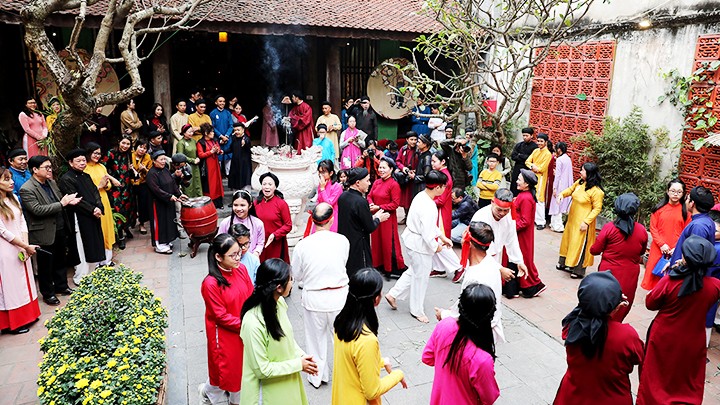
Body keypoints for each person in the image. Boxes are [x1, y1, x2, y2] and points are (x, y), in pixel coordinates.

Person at [637, 235, 720, 405]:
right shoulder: (714, 286)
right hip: (694, 338)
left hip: (665, 334)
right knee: (686, 377)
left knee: (656, 374)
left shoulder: (670, 281)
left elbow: (650, 303)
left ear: (685, 259)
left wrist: (674, 273)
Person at [554, 272, 643, 405]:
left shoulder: (572, 325)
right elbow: (639, 358)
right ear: (617, 306)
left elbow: (585, 310)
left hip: (572, 396)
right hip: (611, 398)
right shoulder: (627, 336)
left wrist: (603, 301)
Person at [240, 259, 317, 405]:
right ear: (279, 287)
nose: (292, 283)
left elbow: (286, 337)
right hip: (266, 393)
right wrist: (298, 364)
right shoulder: (252, 323)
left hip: (286, 383)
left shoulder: (279, 303)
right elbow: (262, 370)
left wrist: (301, 356)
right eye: (290, 279)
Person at [291, 203, 350, 388]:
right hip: (338, 297)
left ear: (313, 220)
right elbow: (343, 262)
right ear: (331, 220)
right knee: (341, 340)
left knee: (315, 341)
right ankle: (346, 375)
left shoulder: (302, 245)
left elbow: (297, 274)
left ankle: (317, 377)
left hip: (314, 298)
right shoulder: (342, 241)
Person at [385, 170, 453, 323]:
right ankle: (416, 310)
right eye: (444, 186)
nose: (445, 189)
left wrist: (442, 237)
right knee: (421, 278)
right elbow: (428, 234)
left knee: (415, 270)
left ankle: (393, 294)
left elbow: (428, 227)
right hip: (419, 244)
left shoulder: (421, 196)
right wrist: (437, 247)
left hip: (413, 239)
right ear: (438, 187)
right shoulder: (429, 206)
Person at [332, 268, 406, 404]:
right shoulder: (367, 340)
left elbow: (352, 360)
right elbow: (372, 391)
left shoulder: (341, 321)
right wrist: (397, 375)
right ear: (376, 299)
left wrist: (380, 362)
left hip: (342, 397)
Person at [197, 234, 254, 405]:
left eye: (239, 252)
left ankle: (234, 400)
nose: (238, 257)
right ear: (218, 257)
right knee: (227, 372)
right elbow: (220, 316)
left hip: (243, 327)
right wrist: (246, 324)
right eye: (233, 255)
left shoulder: (241, 269)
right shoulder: (211, 283)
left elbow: (251, 294)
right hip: (224, 336)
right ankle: (207, 394)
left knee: (242, 370)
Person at [424, 283, 500, 405]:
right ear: (491, 315)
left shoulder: (444, 325)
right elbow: (489, 397)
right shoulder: (482, 359)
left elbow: (427, 357)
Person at [20, 156, 81, 306]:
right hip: (43, 231)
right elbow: (37, 210)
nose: (50, 170)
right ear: (35, 169)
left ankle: (62, 286)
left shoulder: (51, 183)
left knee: (61, 259)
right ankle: (48, 293)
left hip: (59, 227)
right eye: (46, 167)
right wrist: (62, 204)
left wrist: (69, 201)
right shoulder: (27, 189)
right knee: (45, 265)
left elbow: (60, 200)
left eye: (50, 167)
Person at [437, 221, 511, 342]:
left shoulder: (475, 277)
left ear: (469, 243)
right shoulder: (489, 262)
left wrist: (443, 314)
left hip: (476, 331)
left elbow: (463, 312)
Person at [590, 193, 647, 322]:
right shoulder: (641, 230)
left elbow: (595, 250)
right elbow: (641, 252)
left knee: (602, 304)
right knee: (621, 307)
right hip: (630, 275)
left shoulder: (609, 228)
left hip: (608, 273)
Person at [58, 148, 108, 284]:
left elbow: (95, 192)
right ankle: (81, 276)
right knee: (81, 246)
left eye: (84, 160)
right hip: (79, 217)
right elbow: (75, 200)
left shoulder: (86, 176)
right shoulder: (66, 179)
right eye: (78, 161)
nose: (82, 163)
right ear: (70, 163)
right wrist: (92, 209)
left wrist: (99, 207)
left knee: (93, 244)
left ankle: (92, 273)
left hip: (92, 216)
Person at [0, 166, 41, 334]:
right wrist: (24, 246)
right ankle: (13, 323)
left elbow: (23, 221)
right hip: (6, 249)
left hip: (22, 245)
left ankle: (29, 315)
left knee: (26, 280)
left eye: (11, 178)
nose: (11, 182)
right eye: (6, 179)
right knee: (11, 286)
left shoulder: (14, 198)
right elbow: (3, 231)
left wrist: (25, 243)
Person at [464, 189, 528, 285]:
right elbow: (477, 249)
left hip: (496, 257)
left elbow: (512, 239)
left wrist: (519, 261)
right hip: (478, 259)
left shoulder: (509, 216)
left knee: (494, 286)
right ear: (492, 202)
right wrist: (499, 268)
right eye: (499, 209)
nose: (502, 213)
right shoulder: (481, 217)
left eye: (506, 210)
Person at [556, 162, 604, 279]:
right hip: (572, 219)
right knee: (568, 241)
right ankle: (564, 263)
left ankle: (578, 270)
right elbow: (570, 190)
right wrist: (562, 194)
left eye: (583, 170)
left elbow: (597, 209)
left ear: (590, 174)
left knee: (579, 244)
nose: (580, 172)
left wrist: (586, 222)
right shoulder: (580, 182)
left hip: (583, 222)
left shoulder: (597, 192)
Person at [337, 168, 389, 275]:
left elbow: (355, 219)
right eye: (367, 180)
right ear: (357, 183)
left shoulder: (343, 196)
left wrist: (372, 217)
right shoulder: (360, 201)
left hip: (345, 242)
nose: (369, 183)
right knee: (361, 274)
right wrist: (378, 219)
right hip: (359, 245)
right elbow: (369, 227)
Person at [641, 179, 690, 290]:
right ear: (667, 191)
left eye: (679, 192)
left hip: (676, 249)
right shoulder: (658, 209)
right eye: (673, 191)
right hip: (658, 247)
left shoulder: (686, 212)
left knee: (669, 276)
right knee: (653, 273)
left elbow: (686, 232)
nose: (675, 194)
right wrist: (661, 244)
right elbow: (653, 228)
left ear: (683, 194)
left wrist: (677, 248)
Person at [368, 158, 406, 279]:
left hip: (388, 219)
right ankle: (378, 265)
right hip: (376, 216)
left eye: (384, 167)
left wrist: (379, 207)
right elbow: (369, 195)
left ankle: (392, 268)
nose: (381, 170)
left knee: (388, 243)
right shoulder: (376, 182)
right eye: (380, 167)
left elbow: (395, 204)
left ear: (391, 169)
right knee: (377, 242)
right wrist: (371, 204)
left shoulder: (394, 185)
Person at [514, 169, 546, 297]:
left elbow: (525, 221)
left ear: (526, 184)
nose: (517, 181)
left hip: (522, 235)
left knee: (523, 259)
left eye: (519, 180)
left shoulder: (526, 198)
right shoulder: (524, 195)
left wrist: (511, 228)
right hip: (520, 234)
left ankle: (531, 285)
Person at [430, 149, 462, 279]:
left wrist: (427, 200)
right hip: (440, 211)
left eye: (434, 161)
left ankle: (459, 267)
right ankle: (439, 268)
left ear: (443, 161)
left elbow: (441, 200)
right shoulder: (442, 174)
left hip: (441, 213)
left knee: (440, 240)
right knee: (435, 239)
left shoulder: (444, 177)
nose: (432, 163)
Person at [146, 150, 185, 254]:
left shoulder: (166, 170)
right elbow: (156, 190)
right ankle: (159, 245)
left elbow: (172, 183)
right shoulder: (151, 174)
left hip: (168, 201)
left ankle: (167, 241)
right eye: (161, 159)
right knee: (160, 223)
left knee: (169, 221)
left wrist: (179, 194)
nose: (163, 161)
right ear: (154, 161)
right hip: (157, 203)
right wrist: (169, 196)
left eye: (164, 159)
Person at [83, 143, 118, 257]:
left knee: (107, 227)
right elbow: (85, 188)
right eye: (95, 153)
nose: (97, 156)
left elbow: (108, 184)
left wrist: (106, 185)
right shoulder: (84, 168)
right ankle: (98, 258)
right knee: (98, 228)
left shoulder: (102, 167)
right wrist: (99, 186)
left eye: (99, 153)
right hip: (92, 201)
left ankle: (107, 258)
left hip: (104, 199)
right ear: (88, 153)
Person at [668, 185, 716, 267]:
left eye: (687, 198)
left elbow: (694, 257)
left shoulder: (699, 226)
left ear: (692, 203)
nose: (686, 201)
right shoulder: (704, 221)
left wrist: (680, 264)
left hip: (685, 273)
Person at [104, 135, 136, 250]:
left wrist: (133, 170)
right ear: (119, 142)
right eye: (123, 143)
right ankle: (120, 236)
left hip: (127, 186)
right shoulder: (111, 153)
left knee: (128, 209)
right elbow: (103, 169)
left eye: (128, 144)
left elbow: (129, 169)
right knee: (118, 210)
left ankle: (126, 228)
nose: (125, 146)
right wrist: (111, 179)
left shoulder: (129, 154)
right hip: (115, 188)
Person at [255, 172, 292, 262]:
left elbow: (288, 225)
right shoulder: (256, 203)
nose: (267, 187)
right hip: (259, 242)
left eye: (270, 184)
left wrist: (275, 235)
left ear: (275, 187)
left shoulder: (281, 204)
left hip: (276, 243)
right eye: (264, 184)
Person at [218, 190, 265, 258]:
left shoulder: (258, 223)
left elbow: (260, 243)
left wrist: (256, 254)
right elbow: (219, 242)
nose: (238, 208)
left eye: (242, 205)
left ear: (250, 205)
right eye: (235, 205)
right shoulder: (225, 223)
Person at [525, 133, 553, 229]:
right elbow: (527, 161)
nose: (539, 143)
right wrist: (533, 166)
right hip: (532, 176)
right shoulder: (535, 151)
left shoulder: (548, 154)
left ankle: (541, 222)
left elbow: (542, 169)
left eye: (541, 141)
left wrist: (533, 166)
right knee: (531, 197)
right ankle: (533, 218)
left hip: (540, 178)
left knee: (539, 199)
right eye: (538, 141)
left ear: (546, 142)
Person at [196, 123, 224, 209]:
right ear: (206, 133)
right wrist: (211, 152)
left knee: (217, 183)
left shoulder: (214, 140)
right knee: (209, 184)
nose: (213, 133)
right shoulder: (200, 142)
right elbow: (200, 155)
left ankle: (219, 202)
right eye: (211, 132)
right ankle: (211, 203)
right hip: (207, 167)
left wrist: (219, 151)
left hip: (215, 165)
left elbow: (218, 149)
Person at [548, 142, 573, 233]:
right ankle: (555, 224)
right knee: (561, 205)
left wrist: (554, 187)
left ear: (559, 149)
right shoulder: (568, 159)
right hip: (566, 184)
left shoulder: (559, 160)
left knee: (556, 204)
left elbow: (558, 175)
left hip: (560, 184)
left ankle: (557, 225)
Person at [315, 159, 343, 233]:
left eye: (323, 172)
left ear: (331, 173)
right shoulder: (322, 184)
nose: (321, 175)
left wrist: (322, 189)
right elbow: (319, 200)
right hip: (320, 216)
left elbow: (329, 204)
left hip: (331, 217)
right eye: (320, 172)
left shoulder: (337, 187)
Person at [131, 139, 152, 235]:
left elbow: (150, 173)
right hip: (131, 183)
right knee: (131, 203)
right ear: (136, 147)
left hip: (143, 183)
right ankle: (131, 221)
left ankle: (142, 223)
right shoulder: (130, 155)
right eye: (140, 147)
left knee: (143, 204)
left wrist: (144, 169)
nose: (142, 150)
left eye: (144, 148)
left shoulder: (148, 157)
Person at [175, 124, 202, 198]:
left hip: (195, 165)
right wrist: (192, 160)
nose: (191, 133)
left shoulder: (193, 141)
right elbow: (181, 156)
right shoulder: (181, 143)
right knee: (189, 185)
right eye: (189, 132)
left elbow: (197, 152)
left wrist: (198, 158)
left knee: (197, 182)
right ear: (184, 133)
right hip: (186, 167)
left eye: (192, 132)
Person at [210, 95, 234, 176]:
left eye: (223, 101)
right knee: (218, 157)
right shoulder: (213, 113)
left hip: (227, 138)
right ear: (216, 102)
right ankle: (219, 175)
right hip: (217, 139)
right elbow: (212, 127)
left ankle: (228, 174)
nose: (222, 103)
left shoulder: (227, 113)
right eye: (220, 101)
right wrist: (221, 136)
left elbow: (231, 125)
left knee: (228, 156)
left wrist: (226, 136)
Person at [396, 131, 419, 214]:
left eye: (415, 140)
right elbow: (398, 161)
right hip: (405, 177)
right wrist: (403, 168)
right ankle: (406, 215)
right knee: (405, 198)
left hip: (414, 177)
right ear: (407, 139)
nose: (413, 142)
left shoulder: (418, 150)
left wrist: (415, 171)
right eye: (411, 139)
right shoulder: (403, 149)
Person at [510, 127, 537, 195]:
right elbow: (513, 156)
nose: (525, 137)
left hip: (527, 170)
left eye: (526, 136)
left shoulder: (535, 147)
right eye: (523, 135)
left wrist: (520, 155)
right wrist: (524, 157)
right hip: (517, 168)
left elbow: (532, 159)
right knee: (514, 186)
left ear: (531, 136)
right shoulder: (519, 145)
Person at [228, 122, 252, 190]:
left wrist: (244, 143)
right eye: (235, 130)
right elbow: (231, 149)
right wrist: (223, 151)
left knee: (245, 181)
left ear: (243, 130)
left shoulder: (246, 139)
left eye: (238, 130)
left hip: (244, 164)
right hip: (235, 163)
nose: (236, 132)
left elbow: (248, 146)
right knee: (235, 182)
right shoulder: (234, 138)